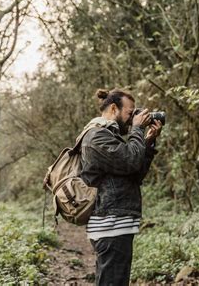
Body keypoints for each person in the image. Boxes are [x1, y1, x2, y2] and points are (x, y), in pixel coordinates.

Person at [80, 88, 162, 285]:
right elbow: (131, 161)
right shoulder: (96, 137)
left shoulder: (110, 137)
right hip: (110, 224)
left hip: (117, 223)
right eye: (130, 112)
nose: (133, 118)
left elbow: (134, 173)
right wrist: (138, 130)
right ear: (114, 108)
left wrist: (148, 143)